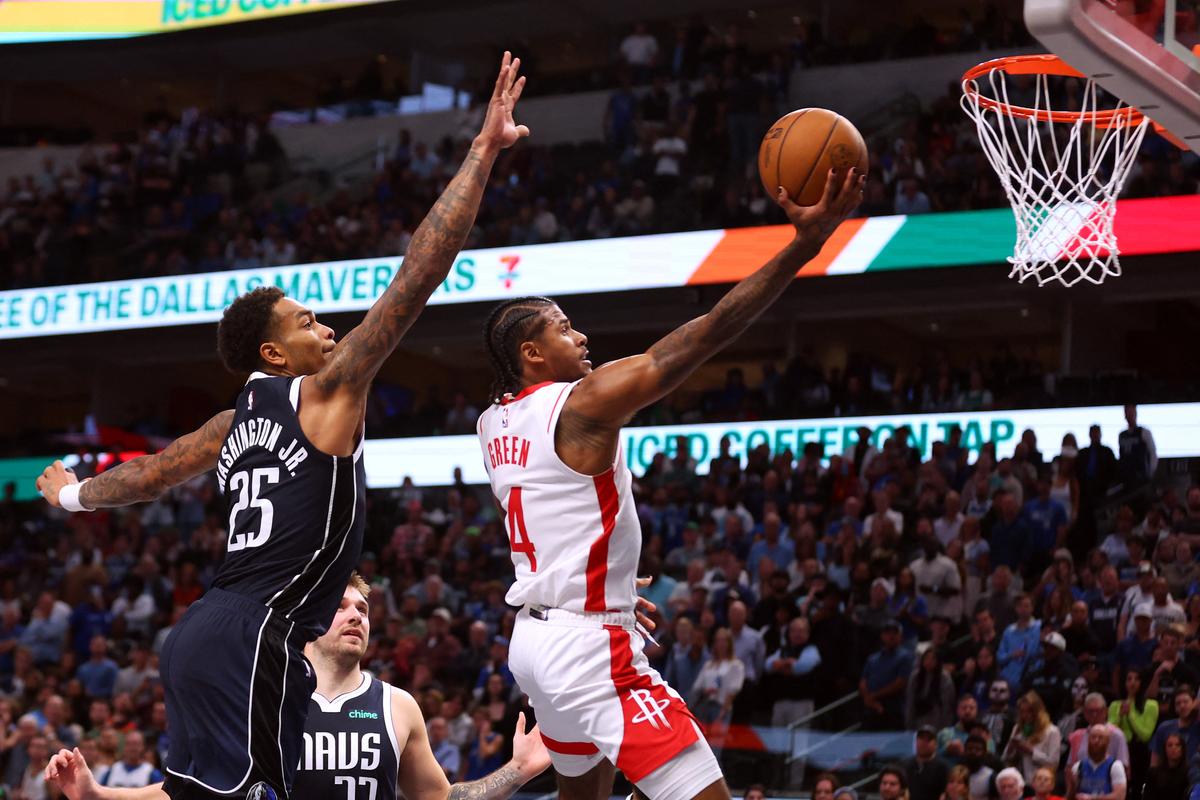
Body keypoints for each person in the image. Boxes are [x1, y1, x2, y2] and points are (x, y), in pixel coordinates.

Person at [36, 52, 533, 800]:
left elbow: (146, 475)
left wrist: (73, 496)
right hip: (258, 635)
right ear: (273, 351)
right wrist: (482, 151)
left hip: (201, 632)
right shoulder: (326, 391)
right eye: (305, 322)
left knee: (205, 794)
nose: (324, 326)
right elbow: (419, 273)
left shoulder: (227, 425)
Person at [475, 166, 863, 800]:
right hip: (590, 647)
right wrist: (804, 245)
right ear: (532, 355)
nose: (582, 336)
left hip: (536, 641)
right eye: (565, 328)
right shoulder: (579, 405)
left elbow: (555, 506)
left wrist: (611, 582)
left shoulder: (491, 421)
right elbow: (704, 335)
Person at [43, 576, 552, 800]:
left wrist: (518, 770)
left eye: (364, 609)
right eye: (340, 606)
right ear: (308, 617)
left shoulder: (398, 707)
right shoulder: (256, 701)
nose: (355, 615)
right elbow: (191, 793)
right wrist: (96, 793)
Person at [1108, 669, 1157, 788]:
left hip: (1140, 752)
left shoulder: (1151, 705)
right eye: (1129, 679)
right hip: (1119, 750)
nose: (1132, 682)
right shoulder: (1115, 705)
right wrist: (1120, 716)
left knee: (1137, 788)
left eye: (1136, 679)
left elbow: (1145, 735)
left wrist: (1130, 715)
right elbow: (1109, 732)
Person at [1003, 691, 1062, 784]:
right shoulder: (1018, 728)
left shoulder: (1052, 731)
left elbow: (1053, 763)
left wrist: (1031, 751)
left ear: (1038, 711)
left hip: (1040, 781)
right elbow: (1005, 759)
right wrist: (1011, 747)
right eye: (1022, 711)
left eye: (1029, 711)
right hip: (1019, 781)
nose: (1025, 715)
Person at [691, 628, 745, 725]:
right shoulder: (709, 665)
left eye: (724, 640)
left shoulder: (735, 665)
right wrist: (705, 691)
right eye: (718, 640)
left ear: (729, 643)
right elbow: (697, 686)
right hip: (704, 707)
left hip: (721, 708)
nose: (721, 644)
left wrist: (721, 715)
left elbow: (732, 692)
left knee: (718, 739)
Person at [1067, 693, 1131, 770]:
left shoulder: (1117, 735)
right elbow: (1069, 767)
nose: (1094, 715)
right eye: (1091, 711)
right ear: (1085, 713)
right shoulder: (1077, 736)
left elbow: (1124, 766)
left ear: (1106, 711)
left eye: (1098, 711)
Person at [1066, 724, 1127, 800]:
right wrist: (1072, 785)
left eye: (1101, 738)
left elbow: (1119, 797)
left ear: (1108, 742)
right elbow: (1070, 797)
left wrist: (1092, 798)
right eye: (1093, 737)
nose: (1096, 741)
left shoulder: (1115, 766)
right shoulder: (1078, 766)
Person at [906, 725, 950, 800]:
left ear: (936, 744)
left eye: (928, 739)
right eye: (921, 738)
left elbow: (945, 793)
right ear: (916, 741)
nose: (924, 742)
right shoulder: (905, 765)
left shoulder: (943, 768)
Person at [1143, 732, 1188, 800]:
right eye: (1170, 745)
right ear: (1165, 749)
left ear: (1182, 749)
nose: (1173, 748)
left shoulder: (1189, 773)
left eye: (1178, 745)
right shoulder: (1153, 773)